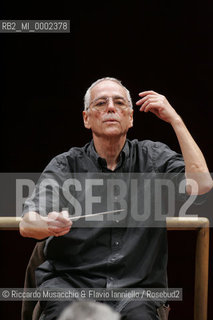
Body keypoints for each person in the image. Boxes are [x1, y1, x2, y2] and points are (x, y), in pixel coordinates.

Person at [19, 77, 212, 320]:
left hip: (137, 293)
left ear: (131, 117)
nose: (111, 107)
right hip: (71, 287)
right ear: (86, 119)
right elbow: (27, 224)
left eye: (119, 102)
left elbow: (203, 183)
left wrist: (176, 120)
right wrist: (48, 224)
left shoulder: (154, 157)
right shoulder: (65, 165)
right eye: (100, 103)